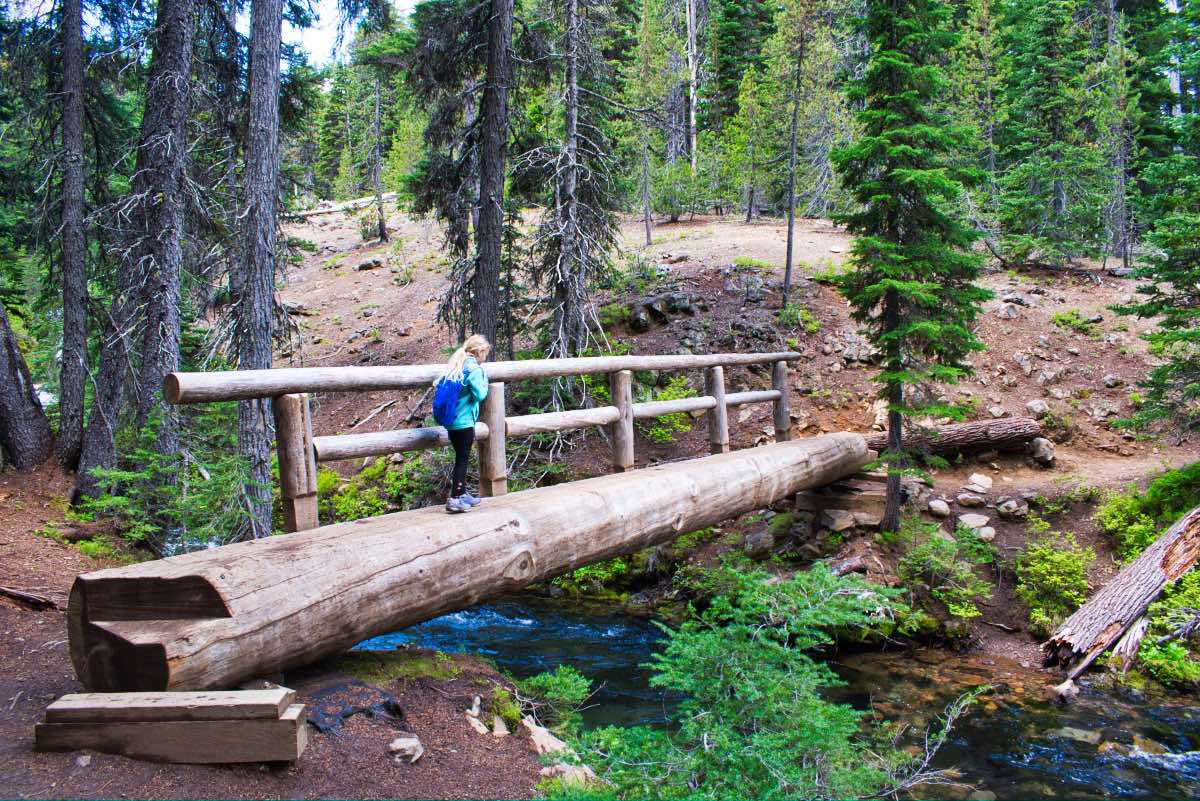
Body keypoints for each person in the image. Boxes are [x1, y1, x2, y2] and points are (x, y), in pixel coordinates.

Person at [438, 334, 491, 513]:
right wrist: (484, 378)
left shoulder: (457, 364)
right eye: (485, 353)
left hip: (452, 421)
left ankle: (461, 493)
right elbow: (480, 394)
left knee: (461, 456)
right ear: (479, 351)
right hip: (464, 422)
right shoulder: (474, 369)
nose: (486, 357)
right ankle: (454, 498)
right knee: (462, 458)